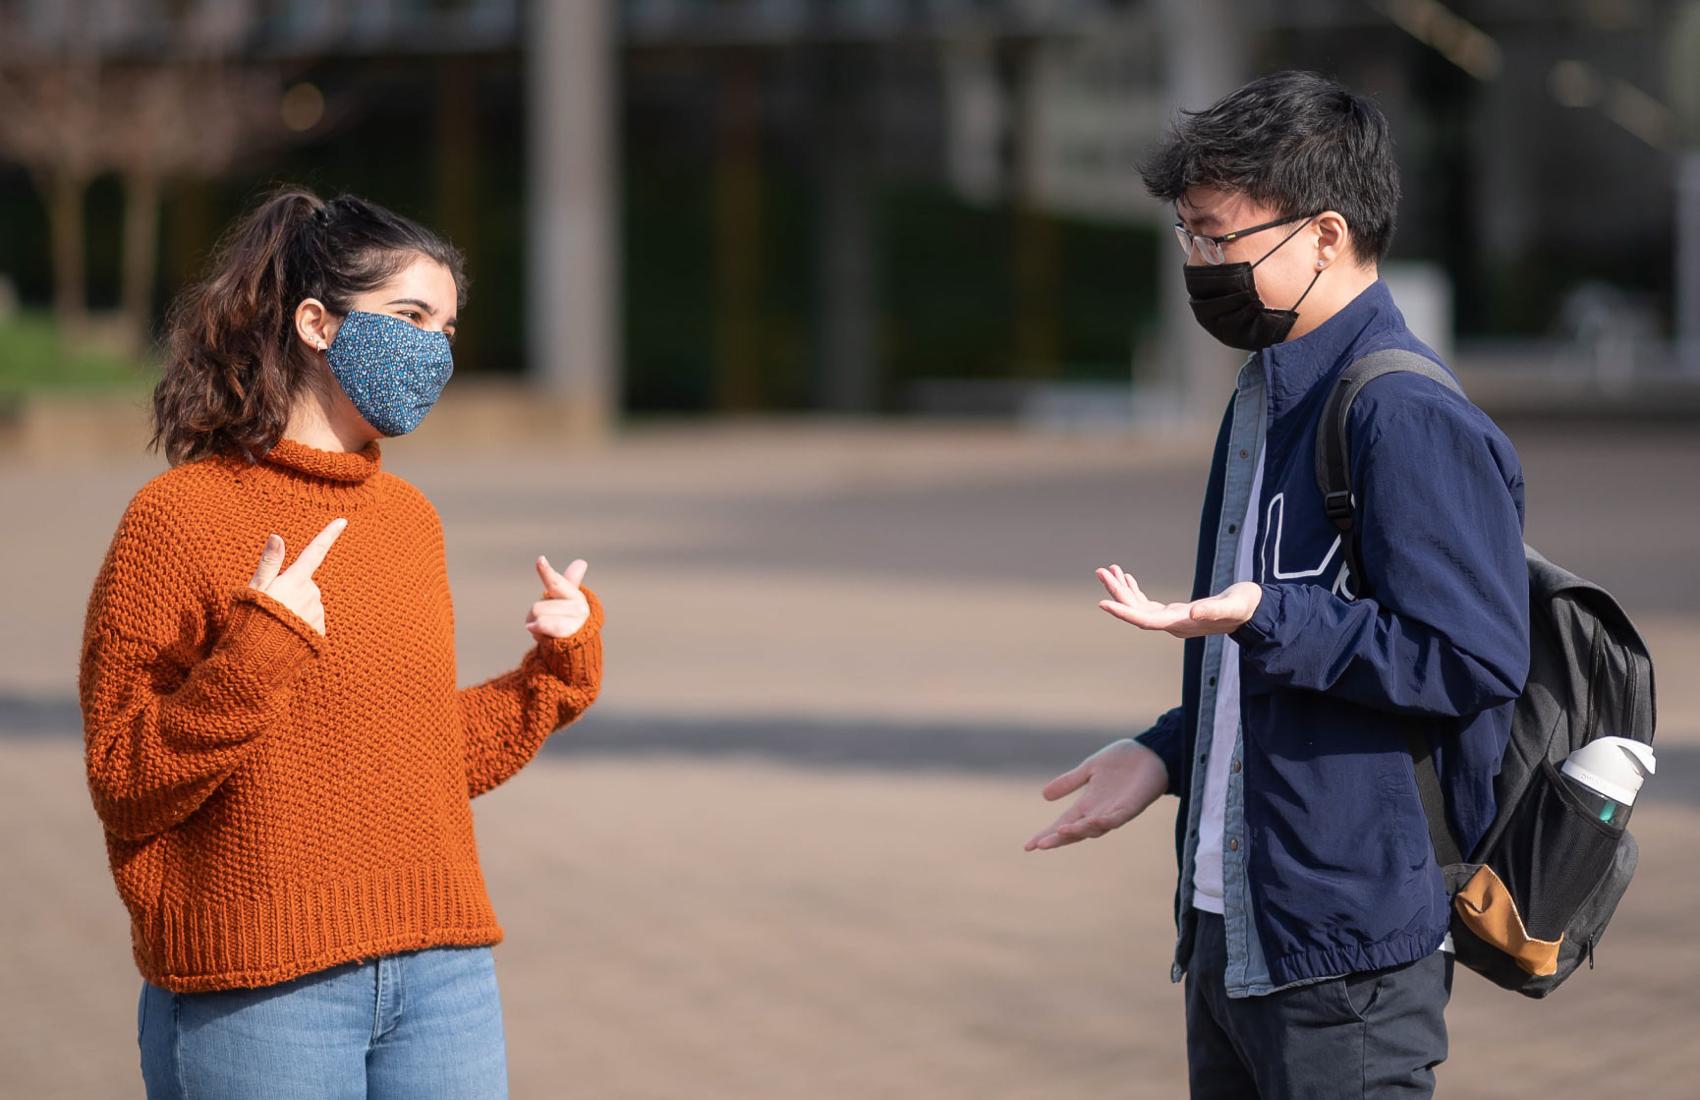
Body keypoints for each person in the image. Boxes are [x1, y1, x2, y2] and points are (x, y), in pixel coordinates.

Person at [1025, 72, 1530, 1098]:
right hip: (1227, 930)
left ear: (1325, 235)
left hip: (1343, 960)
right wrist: (1165, 751)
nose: (1200, 264)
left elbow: (1471, 656)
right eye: (1187, 237)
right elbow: (1277, 658)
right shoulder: (1264, 393)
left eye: (1220, 240)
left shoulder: (1400, 413)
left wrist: (1268, 613)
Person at [79, 187, 605, 1100]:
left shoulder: (408, 519)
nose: (435, 350)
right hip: (261, 984)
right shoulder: (177, 520)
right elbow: (123, 778)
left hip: (442, 974)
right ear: (317, 323)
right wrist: (258, 655)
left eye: (445, 328)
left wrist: (551, 676)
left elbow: (416, 755)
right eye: (410, 317)